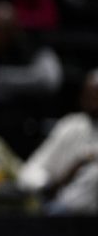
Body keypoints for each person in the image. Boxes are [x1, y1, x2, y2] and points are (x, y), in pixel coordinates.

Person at [17, 68, 98, 215]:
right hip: (64, 215)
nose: (92, 102)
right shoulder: (71, 126)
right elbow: (30, 171)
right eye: (89, 95)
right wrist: (52, 184)